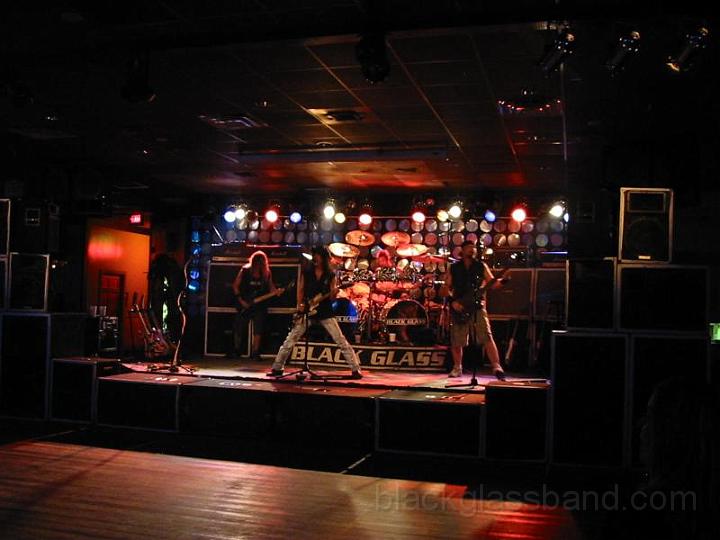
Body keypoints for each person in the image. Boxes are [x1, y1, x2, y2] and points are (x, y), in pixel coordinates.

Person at [270, 246, 363, 379]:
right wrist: (300, 305)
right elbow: (301, 290)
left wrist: (333, 293)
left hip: (325, 310)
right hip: (308, 309)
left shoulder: (330, 275)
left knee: (340, 339)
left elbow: (332, 298)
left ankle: (355, 369)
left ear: (323, 258)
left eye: (317, 256)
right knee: (291, 338)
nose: (315, 258)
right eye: (314, 256)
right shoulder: (307, 272)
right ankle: (277, 367)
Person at [443, 240, 506, 380]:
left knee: (486, 336)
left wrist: (504, 281)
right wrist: (453, 302)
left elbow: (492, 283)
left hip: (477, 306)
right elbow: (446, 287)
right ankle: (457, 367)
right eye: (469, 247)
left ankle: (496, 366)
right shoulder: (454, 268)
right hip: (459, 305)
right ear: (462, 250)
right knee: (457, 339)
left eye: (474, 248)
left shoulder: (481, 266)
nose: (472, 250)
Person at [232, 250, 277, 360]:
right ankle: (236, 350)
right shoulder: (245, 270)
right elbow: (235, 286)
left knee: (258, 328)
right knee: (239, 327)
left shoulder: (266, 273)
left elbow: (271, 288)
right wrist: (241, 300)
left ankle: (255, 352)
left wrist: (277, 292)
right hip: (245, 303)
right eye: (257, 262)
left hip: (259, 306)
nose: (259, 265)